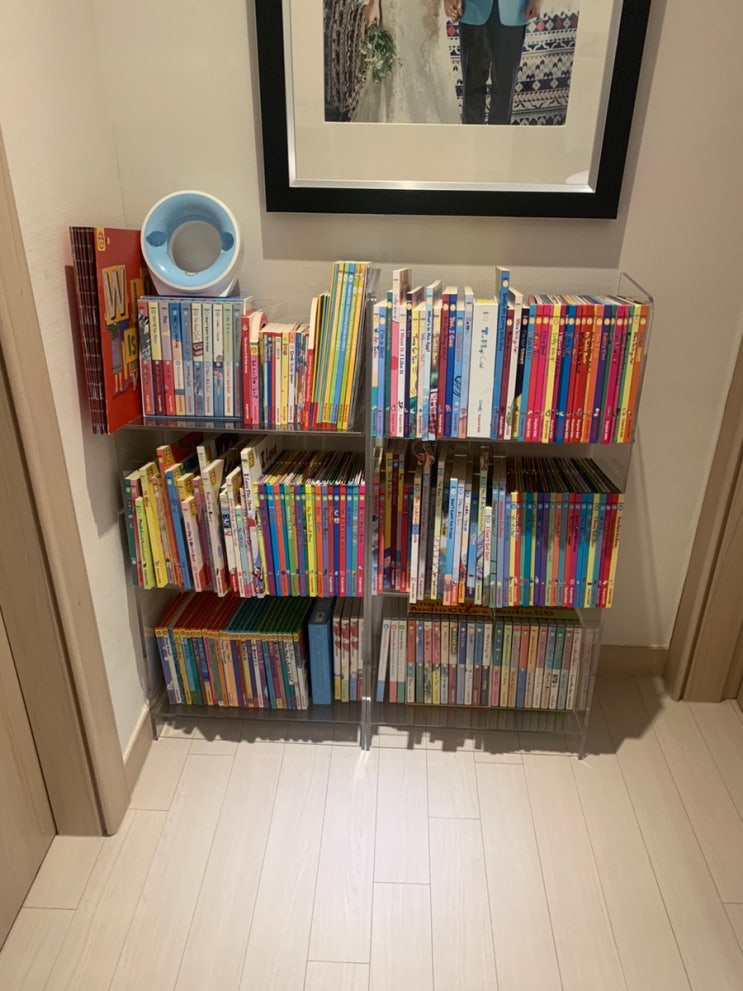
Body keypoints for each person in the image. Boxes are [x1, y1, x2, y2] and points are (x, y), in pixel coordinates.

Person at [444, 0, 542, 124]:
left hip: (514, 9)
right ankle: (471, 135)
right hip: (472, 8)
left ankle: (499, 136)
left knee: (504, 90)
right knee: (471, 88)